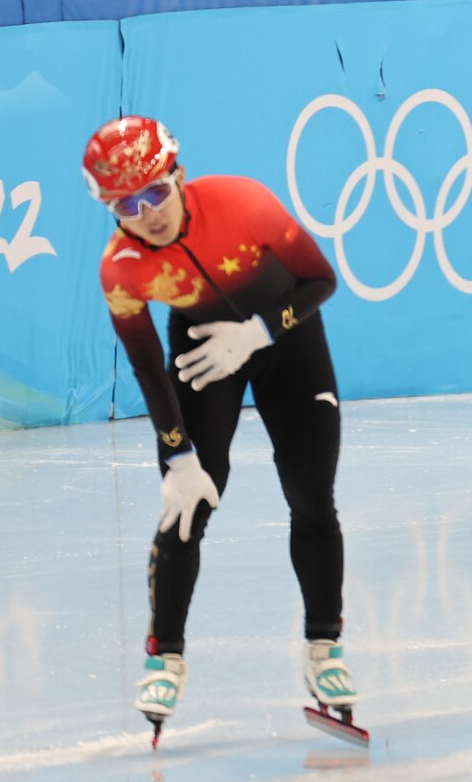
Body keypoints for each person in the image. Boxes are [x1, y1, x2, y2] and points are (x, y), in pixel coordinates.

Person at [83, 116, 359, 741]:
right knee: (188, 503)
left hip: (286, 341)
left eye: (156, 192)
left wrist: (261, 331)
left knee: (312, 494)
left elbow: (321, 280)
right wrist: (176, 455)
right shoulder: (121, 269)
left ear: (178, 176)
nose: (148, 213)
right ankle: (165, 652)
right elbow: (149, 365)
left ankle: (324, 647)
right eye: (128, 204)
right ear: (111, 210)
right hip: (201, 351)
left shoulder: (243, 201)